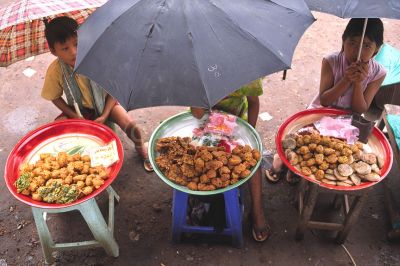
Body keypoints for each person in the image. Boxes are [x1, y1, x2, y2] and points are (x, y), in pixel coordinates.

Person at [266, 18, 386, 184]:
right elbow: (324, 100)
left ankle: (303, 165)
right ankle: (283, 157)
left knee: (340, 155)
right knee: (301, 140)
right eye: (352, 42)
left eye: (366, 45)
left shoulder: (378, 73)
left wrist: (358, 83)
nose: (357, 50)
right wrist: (346, 79)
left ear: (376, 50)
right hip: (321, 112)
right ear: (343, 41)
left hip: (350, 118)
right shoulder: (331, 61)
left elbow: (360, 109)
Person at [41, 16, 153, 172]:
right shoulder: (55, 71)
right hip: (78, 110)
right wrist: (74, 116)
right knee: (57, 133)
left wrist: (105, 114)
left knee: (132, 126)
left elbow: (115, 88)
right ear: (53, 51)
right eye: (65, 48)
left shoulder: (99, 59)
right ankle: (73, 163)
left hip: (106, 103)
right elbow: (53, 97)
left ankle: (141, 148)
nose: (74, 52)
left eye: (77, 44)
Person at [191, 79, 270, 242]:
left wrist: (250, 133)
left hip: (237, 119)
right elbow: (197, 113)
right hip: (204, 121)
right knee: (194, 156)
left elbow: (254, 102)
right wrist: (207, 96)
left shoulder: (246, 72)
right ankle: (199, 194)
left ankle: (257, 211)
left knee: (252, 159)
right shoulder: (197, 75)